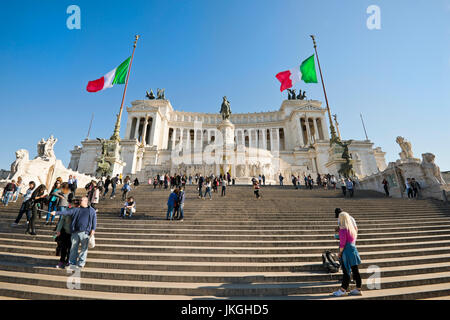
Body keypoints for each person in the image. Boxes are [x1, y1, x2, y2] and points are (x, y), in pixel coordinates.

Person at [50, 196, 96, 269]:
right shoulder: (76, 209)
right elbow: (66, 212)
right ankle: (72, 263)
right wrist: (56, 212)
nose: (80, 201)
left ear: (86, 201)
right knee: (73, 249)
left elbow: (94, 220)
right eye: (80, 200)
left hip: (86, 233)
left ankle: (81, 263)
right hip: (75, 232)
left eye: (81, 200)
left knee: (84, 249)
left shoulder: (91, 210)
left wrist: (93, 229)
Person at [331, 212, 362, 296]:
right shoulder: (351, 229)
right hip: (353, 250)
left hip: (346, 251)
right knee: (355, 270)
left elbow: (342, 244)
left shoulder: (343, 230)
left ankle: (342, 290)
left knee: (346, 271)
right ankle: (358, 289)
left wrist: (340, 253)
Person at [55, 197, 78, 268]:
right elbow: (62, 220)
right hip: (65, 231)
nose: (73, 204)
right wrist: (58, 230)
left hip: (74, 233)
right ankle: (62, 261)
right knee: (64, 247)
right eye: (72, 202)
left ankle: (68, 261)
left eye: (75, 203)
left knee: (71, 248)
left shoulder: (79, 211)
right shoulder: (67, 210)